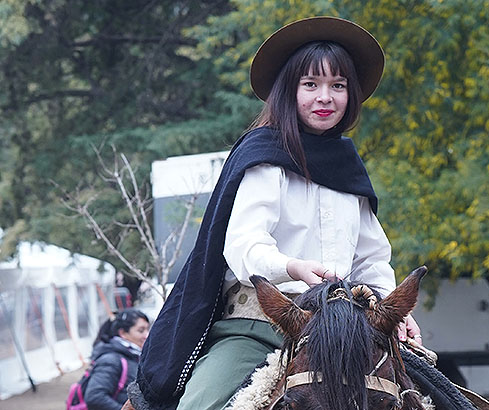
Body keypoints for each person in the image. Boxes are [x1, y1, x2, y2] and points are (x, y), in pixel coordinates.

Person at [125, 16, 421, 410]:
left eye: (338, 86)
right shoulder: (264, 158)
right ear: (289, 90)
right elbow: (245, 243)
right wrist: (293, 267)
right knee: (199, 406)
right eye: (310, 85)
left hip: (349, 333)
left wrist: (390, 311)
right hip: (260, 327)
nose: (325, 97)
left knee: (435, 396)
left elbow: (371, 259)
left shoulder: (350, 169)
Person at [84, 309, 150, 410]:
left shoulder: (134, 355)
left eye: (147, 329)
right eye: (141, 331)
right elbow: (95, 397)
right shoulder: (111, 359)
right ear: (123, 333)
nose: (147, 335)